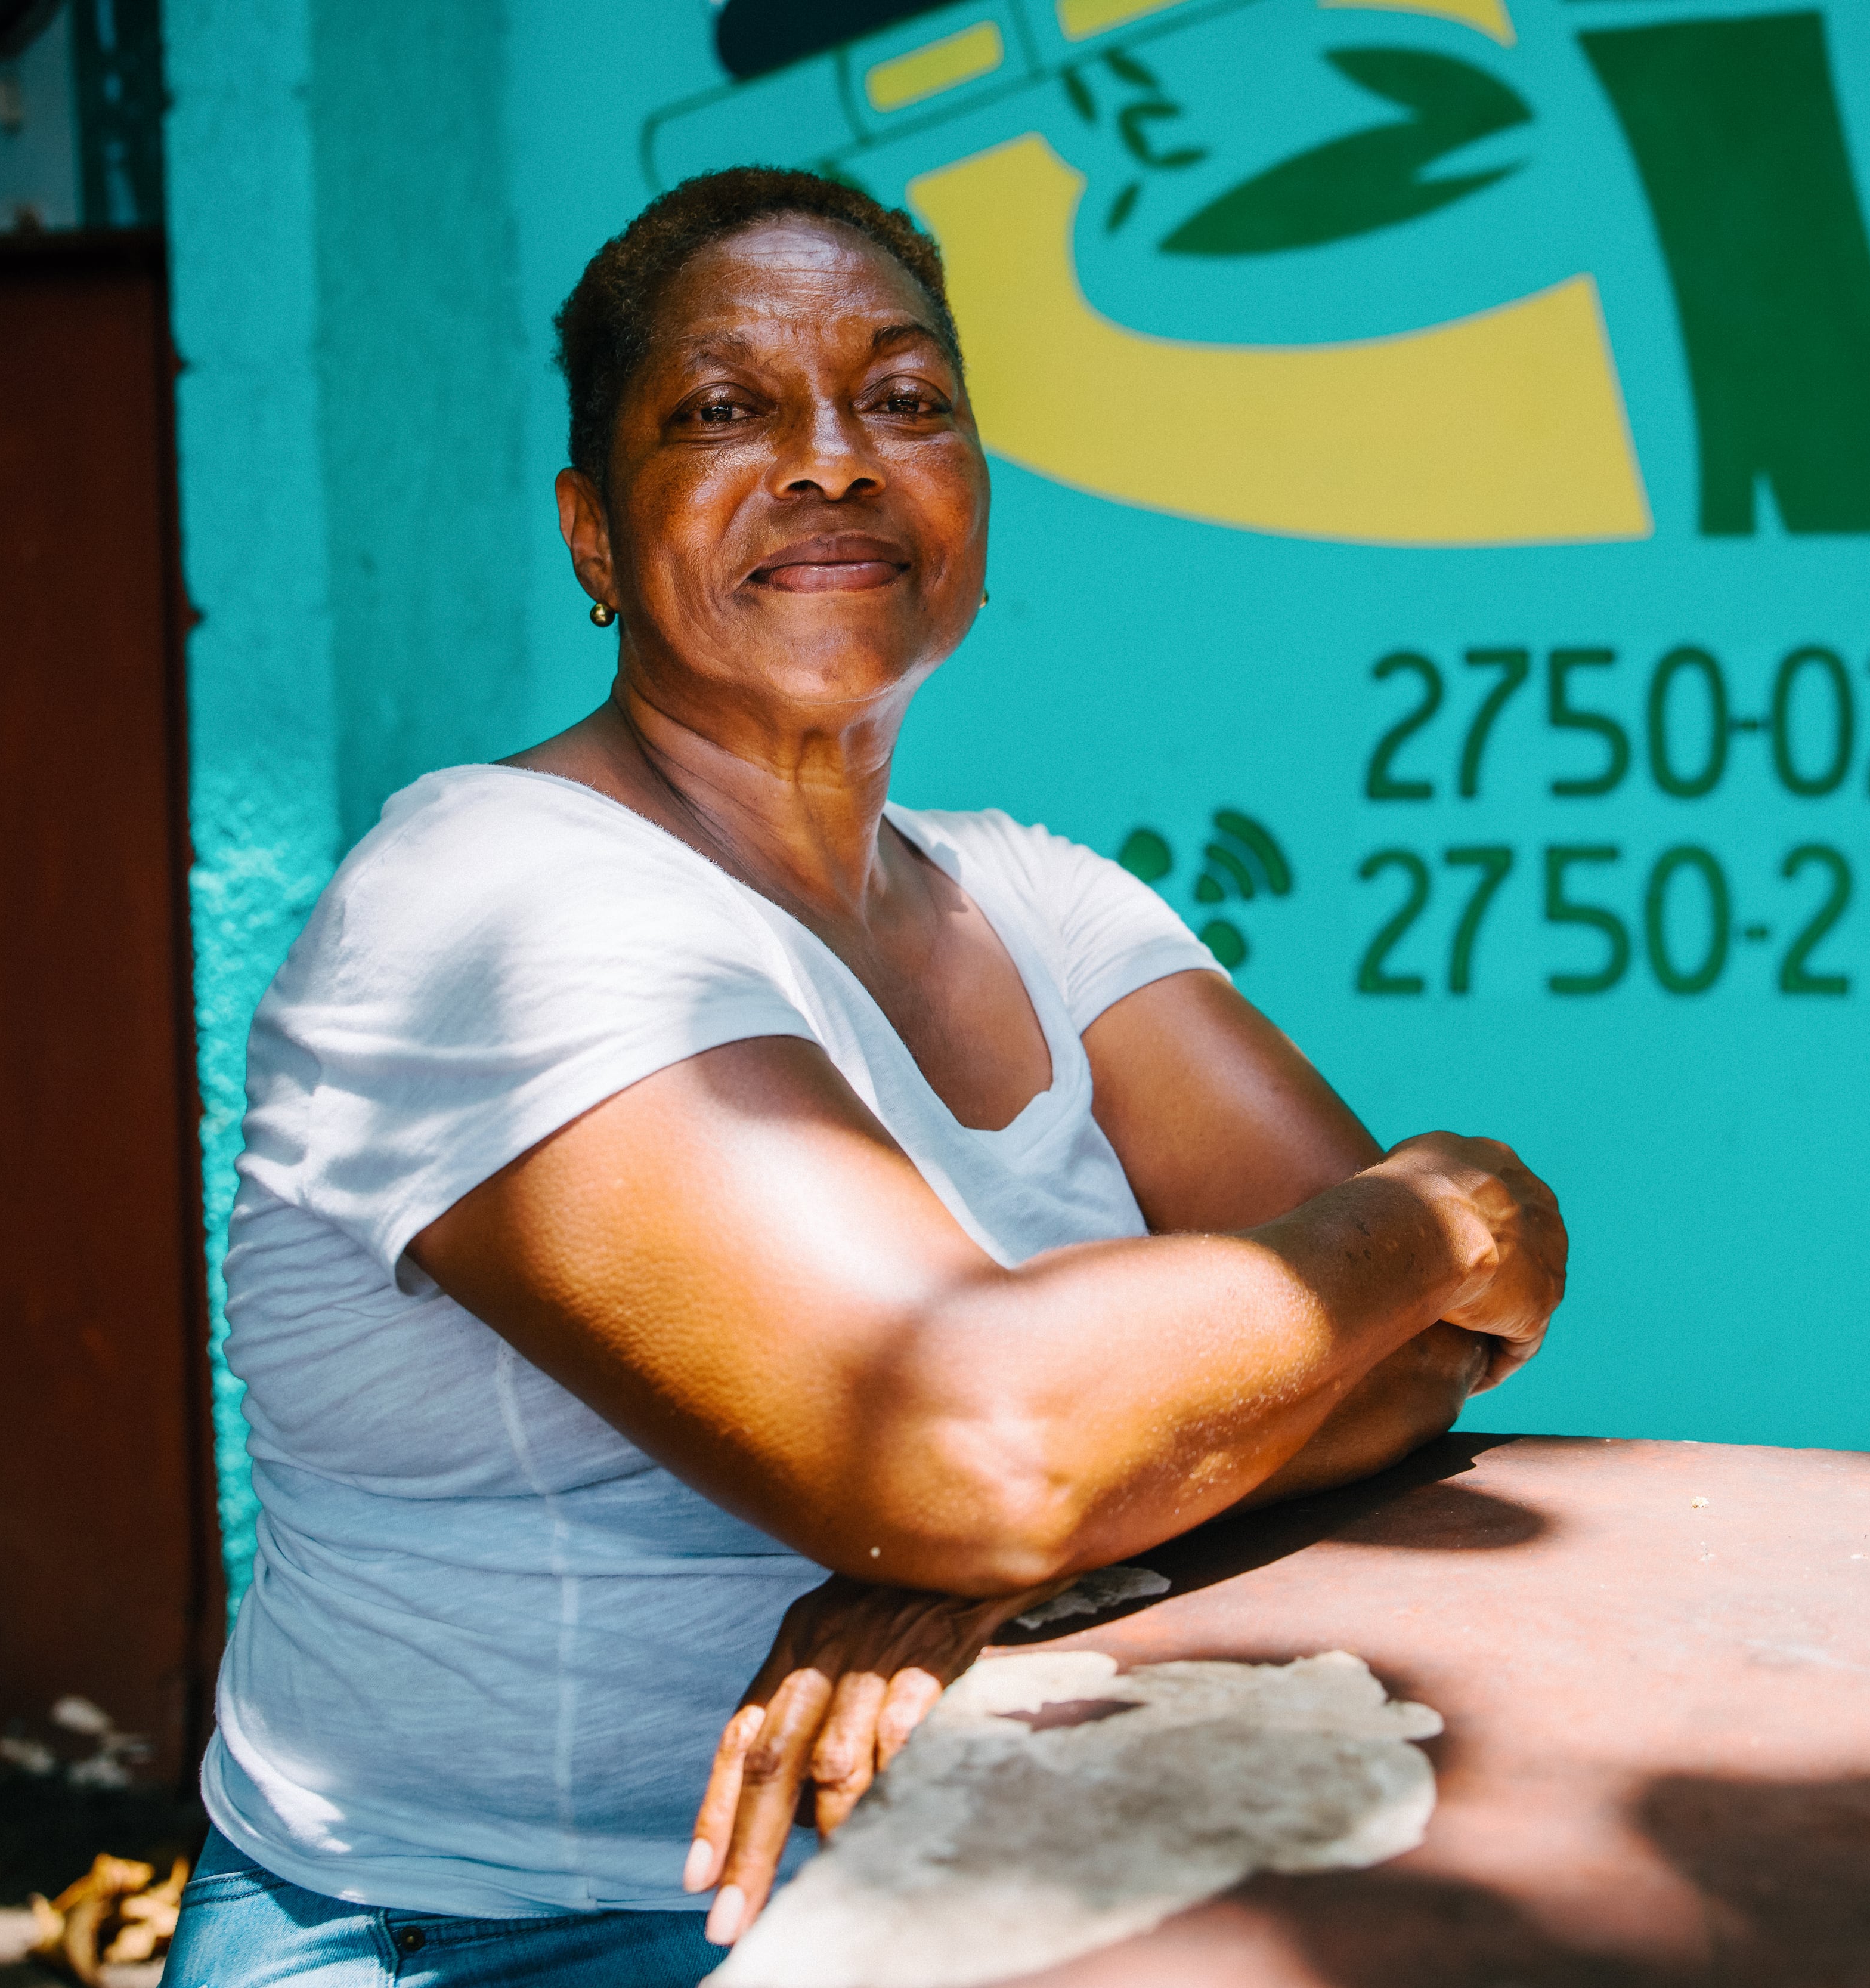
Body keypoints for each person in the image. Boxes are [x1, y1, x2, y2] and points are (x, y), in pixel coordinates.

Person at [158, 166, 1568, 1988]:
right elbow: (973, 1442)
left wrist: (1008, 1540)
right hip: (488, 1935)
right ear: (594, 536)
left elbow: (1425, 1359)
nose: (833, 460)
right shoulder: (487, 900)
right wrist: (1447, 1206)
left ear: (973, 499)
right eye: (728, 411)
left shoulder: (1042, 898)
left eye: (903, 401)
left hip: (954, 1892)